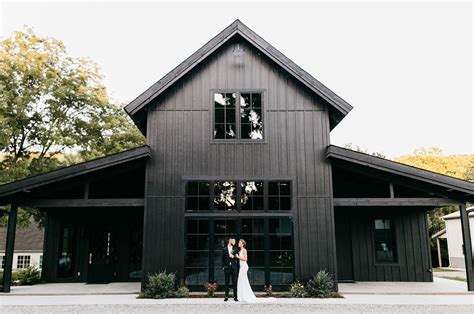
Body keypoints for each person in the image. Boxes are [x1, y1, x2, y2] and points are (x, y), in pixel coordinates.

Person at [222, 237, 239, 301]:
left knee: (235, 282)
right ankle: (226, 296)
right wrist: (223, 267)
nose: (233, 242)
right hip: (226, 268)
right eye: (232, 240)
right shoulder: (224, 249)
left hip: (233, 268)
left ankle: (235, 296)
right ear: (229, 241)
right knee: (227, 282)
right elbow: (222, 259)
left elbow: (237, 258)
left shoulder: (235, 249)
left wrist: (233, 256)